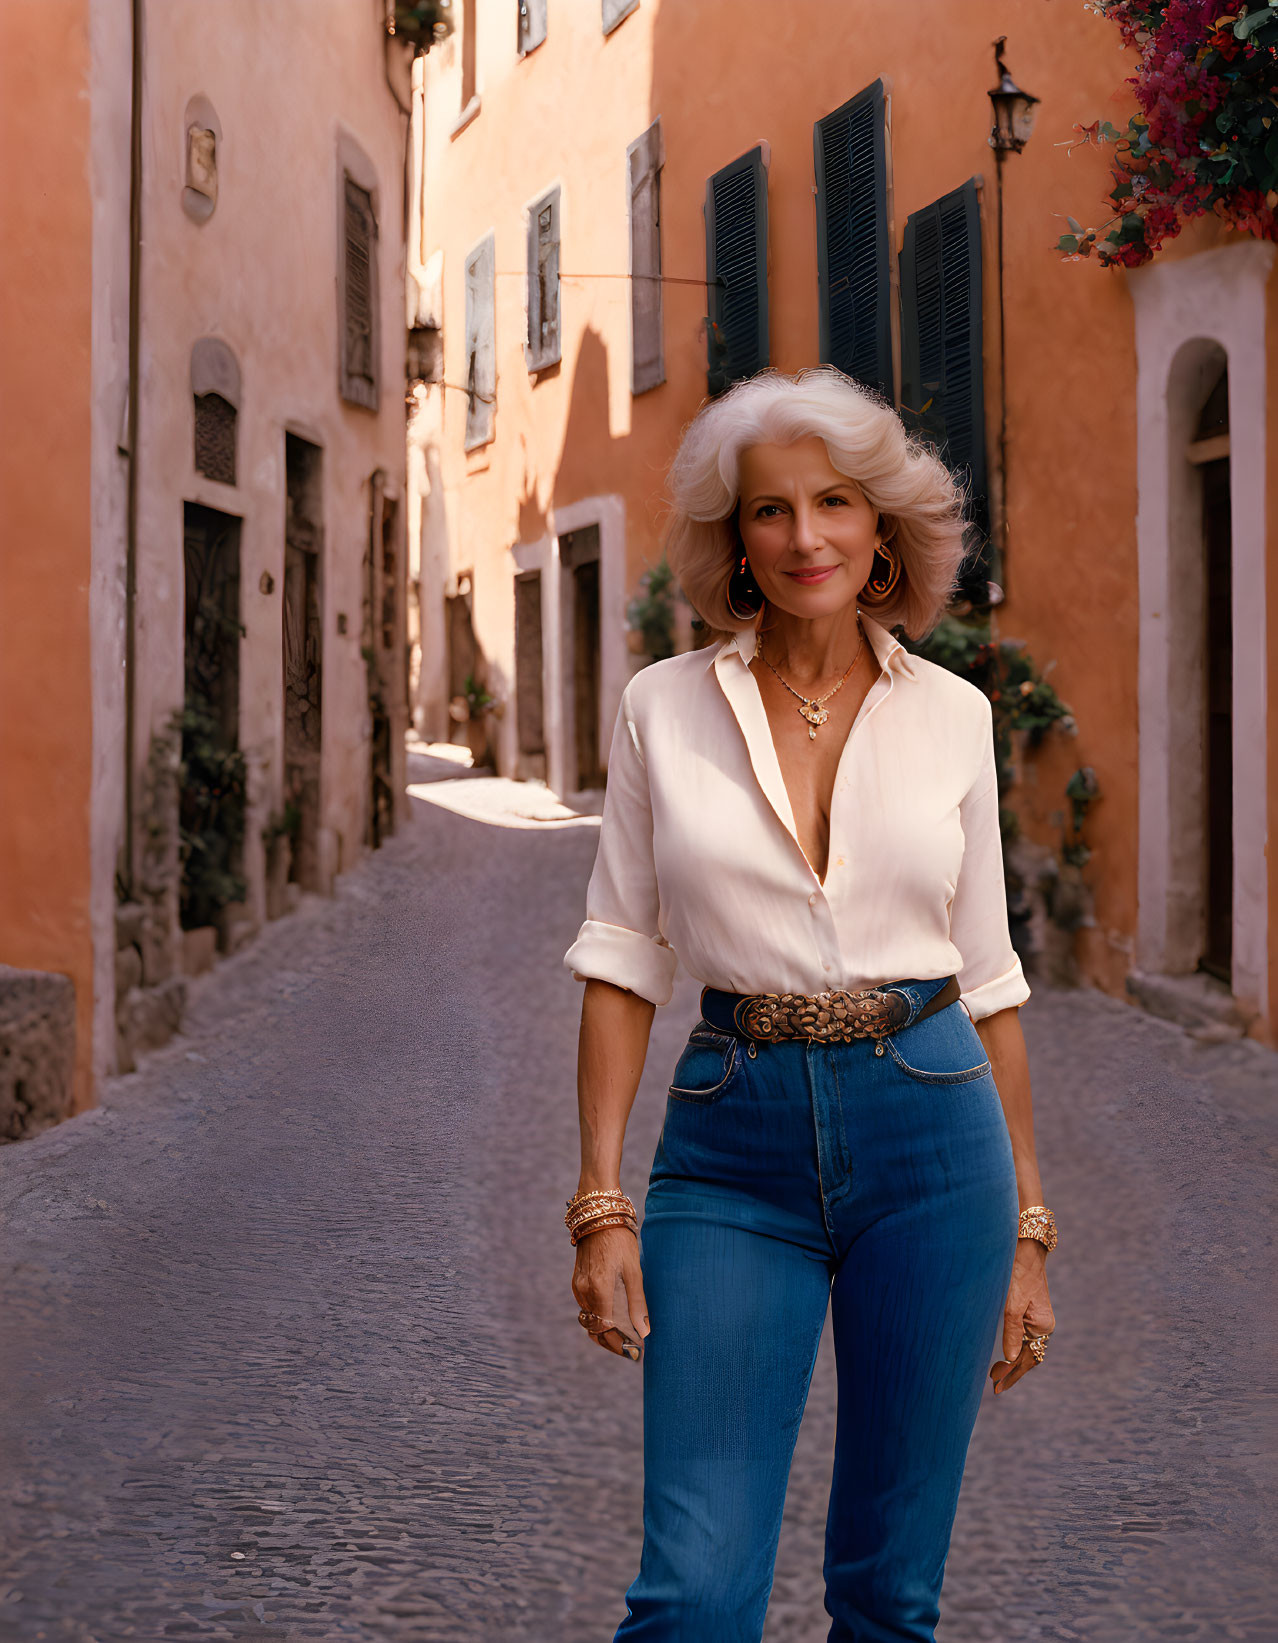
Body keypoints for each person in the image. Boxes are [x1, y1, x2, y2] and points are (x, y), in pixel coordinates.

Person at [562, 365, 1057, 1643]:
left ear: (882, 527)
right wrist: (601, 1199)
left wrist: (1032, 1227)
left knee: (890, 1598)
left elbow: (989, 976)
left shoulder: (954, 715)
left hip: (936, 1134)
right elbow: (623, 953)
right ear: (734, 539)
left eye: (834, 501)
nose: (804, 536)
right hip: (733, 1146)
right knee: (691, 1597)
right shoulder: (661, 707)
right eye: (770, 510)